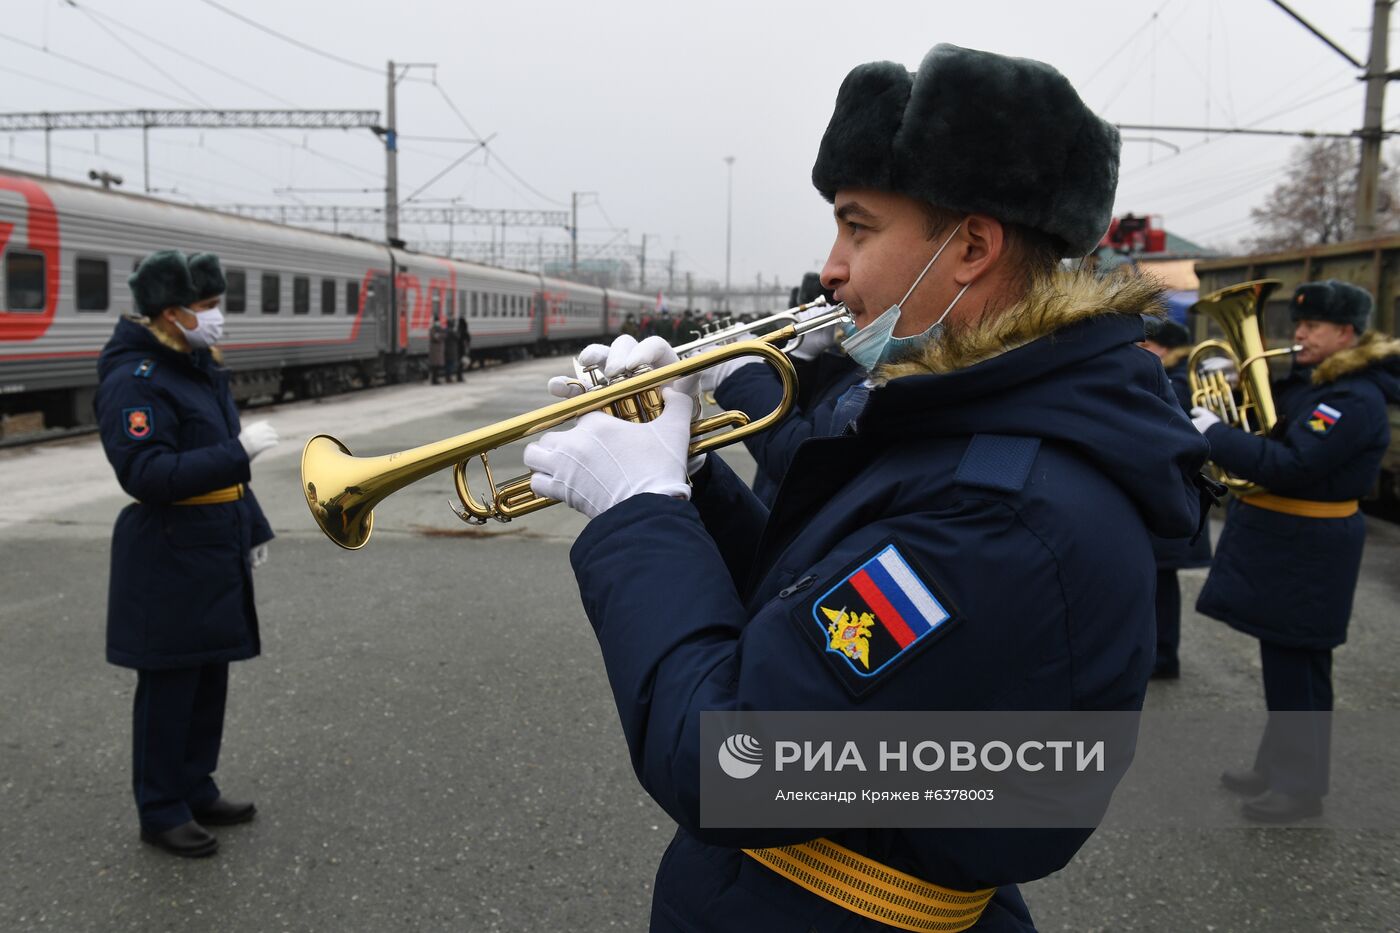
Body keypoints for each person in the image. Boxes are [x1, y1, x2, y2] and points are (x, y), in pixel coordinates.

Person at [523, 43, 1208, 931]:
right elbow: (800, 615)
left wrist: (639, 511)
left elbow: (728, 762)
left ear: (969, 245)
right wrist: (688, 475)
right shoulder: (971, 426)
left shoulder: (998, 515)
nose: (833, 267)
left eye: (858, 227)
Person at [95, 250, 279, 858]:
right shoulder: (136, 380)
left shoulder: (197, 366)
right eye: (207, 307)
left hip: (212, 543)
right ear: (171, 313)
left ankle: (195, 787)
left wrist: (251, 528)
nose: (217, 316)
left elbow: (227, 471)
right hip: (169, 553)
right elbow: (146, 473)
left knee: (207, 677)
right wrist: (240, 451)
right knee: (170, 687)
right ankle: (160, 808)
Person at [1193, 280, 1399, 822]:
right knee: (1286, 661)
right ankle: (1275, 767)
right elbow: (1275, 430)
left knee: (1299, 669)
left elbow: (1291, 465)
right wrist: (1228, 390)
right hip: (1290, 543)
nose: (1298, 333)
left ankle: (1300, 788)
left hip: (1309, 548)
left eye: (1313, 326)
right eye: (1300, 324)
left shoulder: (1353, 399)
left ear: (1346, 334)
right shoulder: (1317, 385)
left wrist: (1217, 432)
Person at [705, 271, 863, 506]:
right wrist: (801, 357)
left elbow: (802, 457)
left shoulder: (882, 371)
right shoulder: (865, 362)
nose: (831, 269)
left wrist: (740, 375)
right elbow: (812, 411)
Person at [1138, 316, 1212, 678]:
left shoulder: (1176, 383)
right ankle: (1162, 654)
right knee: (1159, 584)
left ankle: (1163, 657)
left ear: (1163, 349)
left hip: (1169, 499)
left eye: (1146, 346)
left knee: (1161, 587)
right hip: (1170, 499)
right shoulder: (1178, 378)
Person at [428, 314, 447, 384]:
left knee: (437, 366)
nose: (437, 322)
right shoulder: (433, 329)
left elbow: (443, 336)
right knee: (434, 367)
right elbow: (435, 337)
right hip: (435, 351)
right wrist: (440, 336)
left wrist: (439, 336)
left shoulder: (438, 329)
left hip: (437, 350)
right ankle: (434, 380)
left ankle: (435, 380)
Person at [444, 312, 461, 383]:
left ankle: (447, 377)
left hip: (446, 349)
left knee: (447, 364)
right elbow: (458, 337)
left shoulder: (445, 330)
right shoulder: (452, 331)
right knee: (450, 364)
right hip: (451, 350)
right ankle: (449, 378)